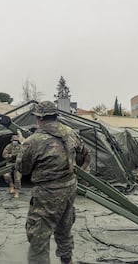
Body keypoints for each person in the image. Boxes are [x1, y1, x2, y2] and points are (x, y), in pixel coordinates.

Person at [18, 101, 90, 264]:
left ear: (39, 117)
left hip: (46, 194)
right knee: (64, 229)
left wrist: (24, 146)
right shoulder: (70, 133)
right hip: (70, 189)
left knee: (38, 237)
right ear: (55, 116)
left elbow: (23, 169)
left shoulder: (32, 141)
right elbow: (85, 154)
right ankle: (67, 260)